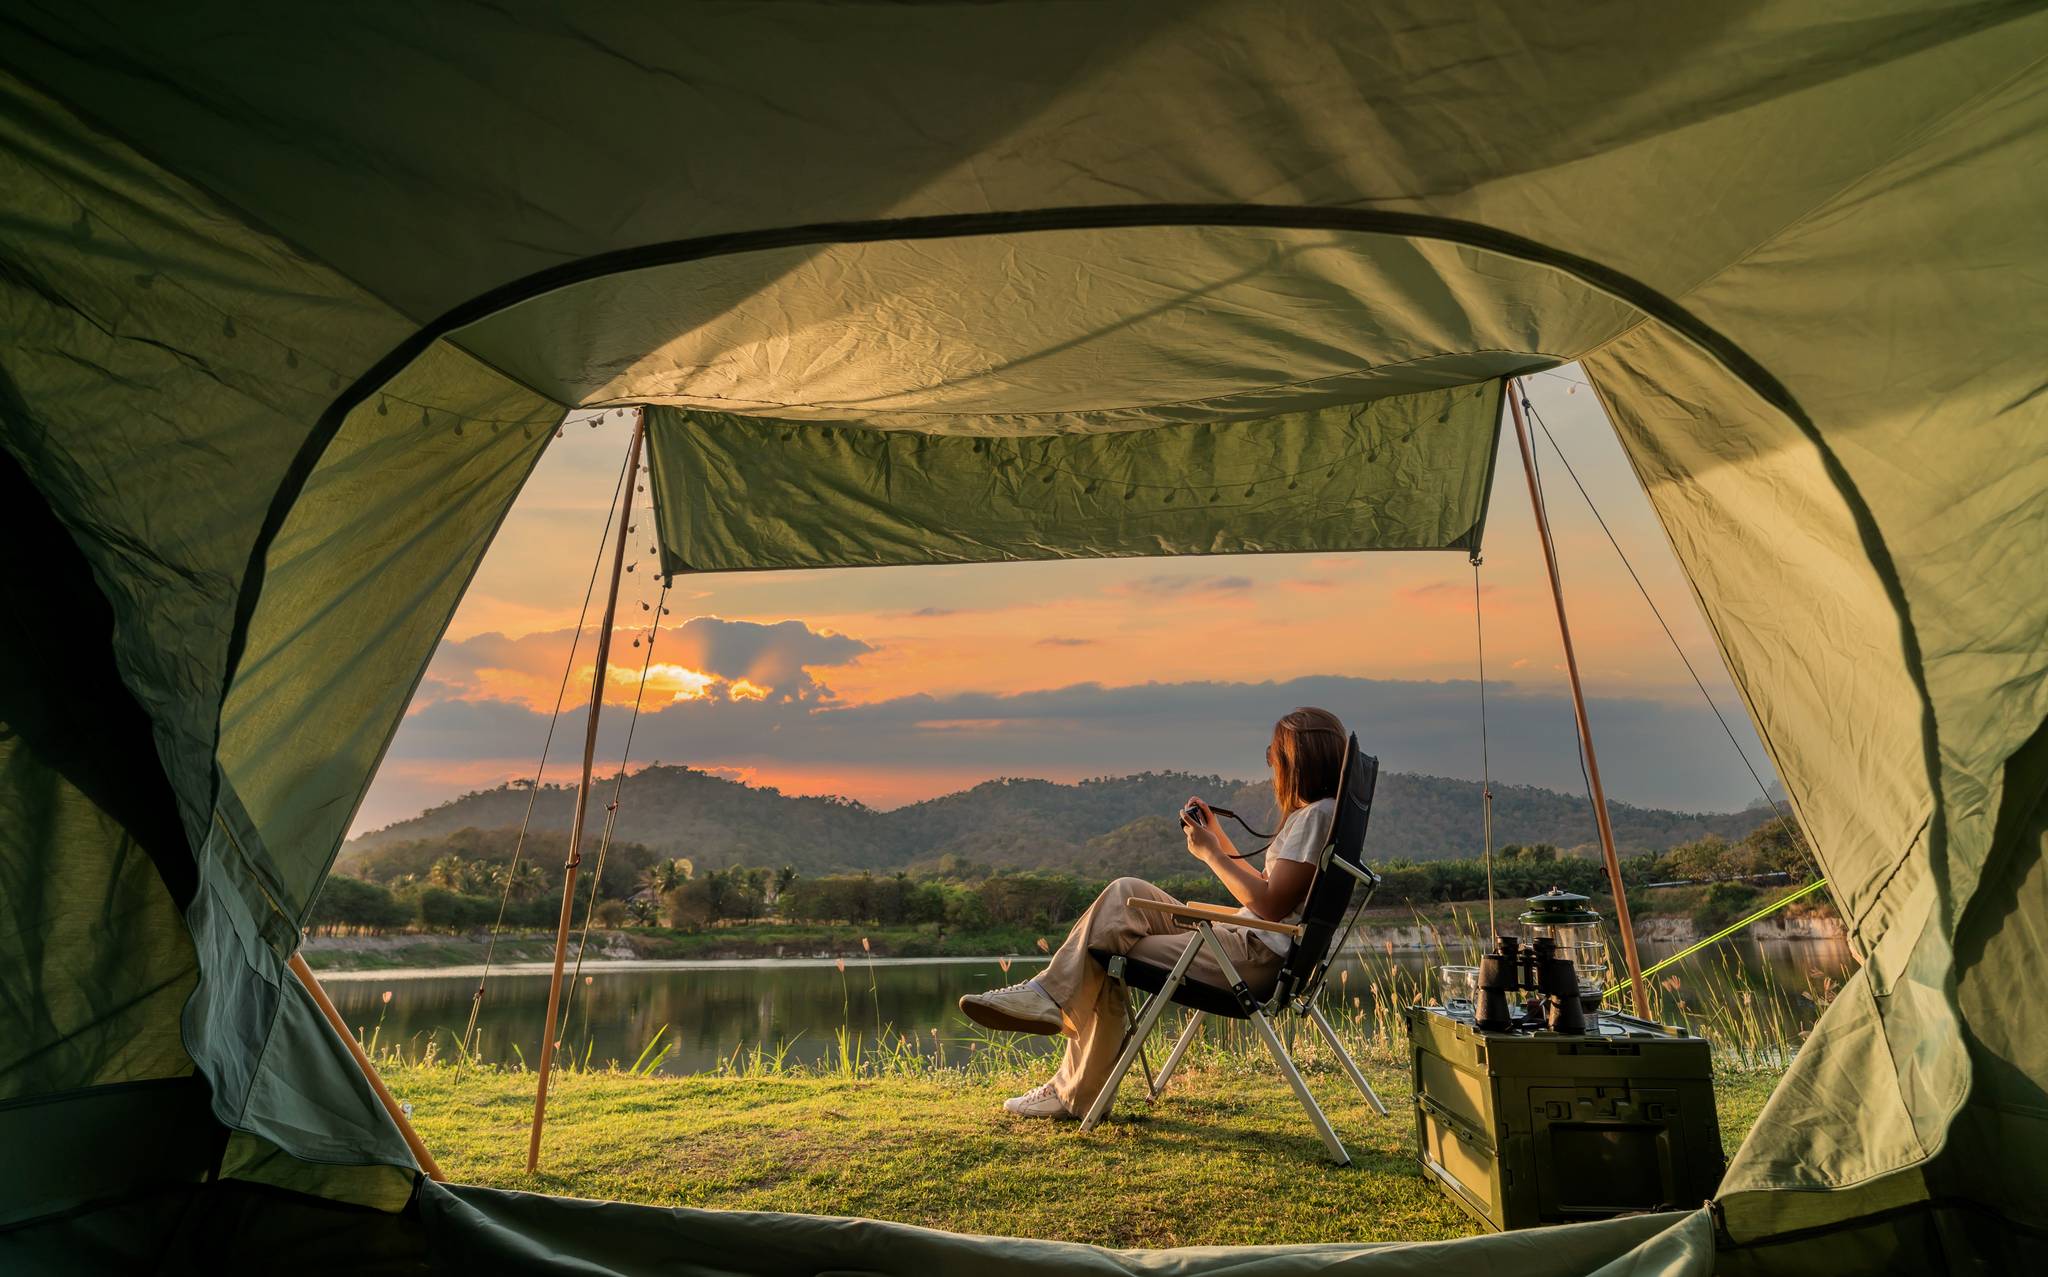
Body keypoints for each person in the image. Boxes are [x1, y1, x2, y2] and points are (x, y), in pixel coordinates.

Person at [958, 706, 1348, 1119]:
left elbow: (1269, 904)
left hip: (1251, 956)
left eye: (1275, 754)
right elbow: (1270, 894)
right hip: (1245, 942)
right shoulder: (1326, 814)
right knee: (1126, 893)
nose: (1270, 763)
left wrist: (1211, 855)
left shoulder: (1315, 816)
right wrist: (1216, 838)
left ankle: (1069, 1079)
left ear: (1298, 759)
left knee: (1108, 947)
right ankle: (1049, 1005)